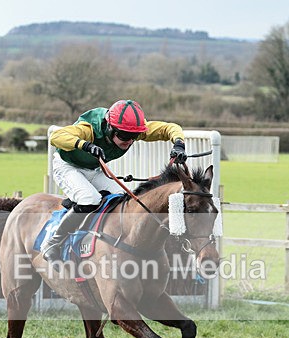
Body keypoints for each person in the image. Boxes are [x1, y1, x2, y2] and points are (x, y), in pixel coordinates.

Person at [43, 99, 188, 263]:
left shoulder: (131, 130)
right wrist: (85, 145)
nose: (129, 141)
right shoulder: (88, 129)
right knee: (90, 199)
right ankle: (53, 242)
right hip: (67, 166)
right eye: (124, 136)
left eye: (133, 137)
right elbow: (56, 136)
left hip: (93, 170)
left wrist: (179, 144)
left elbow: (169, 128)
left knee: (123, 200)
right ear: (109, 127)